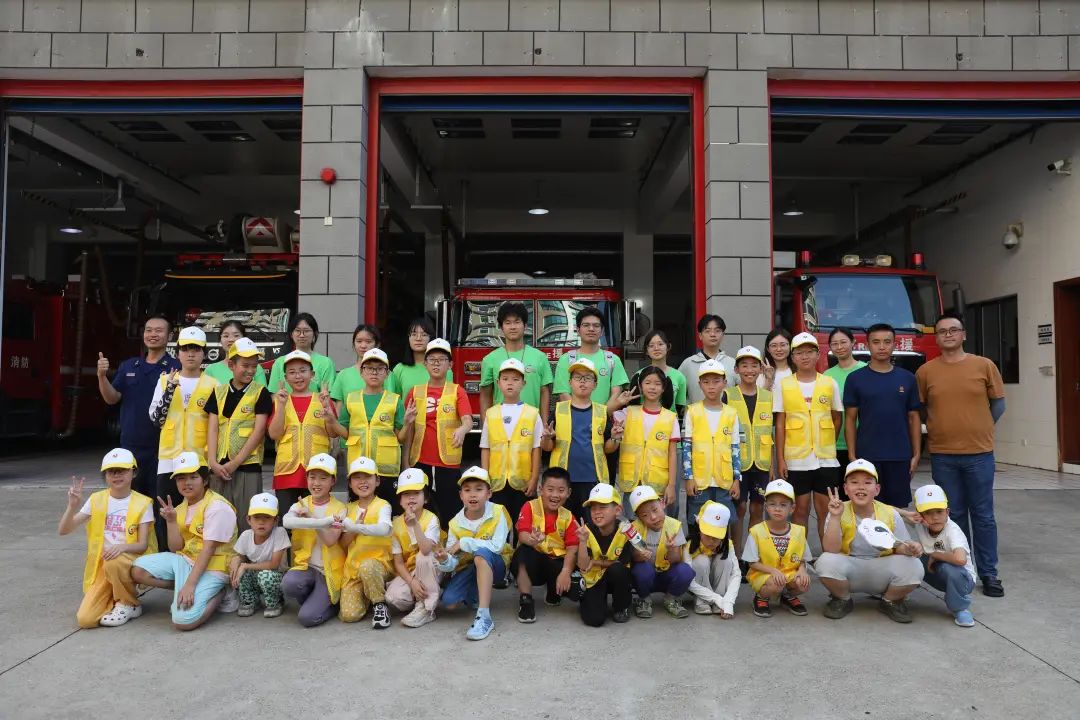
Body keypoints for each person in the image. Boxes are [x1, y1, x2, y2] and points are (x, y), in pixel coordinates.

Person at [916, 312, 1006, 598]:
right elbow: (921, 410)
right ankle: (963, 568)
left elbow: (998, 404)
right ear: (936, 337)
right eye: (942, 331)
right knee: (951, 515)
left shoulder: (984, 365)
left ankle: (989, 573)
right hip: (943, 455)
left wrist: (981, 426)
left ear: (963, 334)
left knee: (983, 515)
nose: (948, 335)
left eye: (953, 330)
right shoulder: (926, 372)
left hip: (979, 453)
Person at [131, 451, 238, 631]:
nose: (186, 483)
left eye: (193, 477)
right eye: (181, 478)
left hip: (214, 567)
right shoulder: (181, 507)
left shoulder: (217, 507)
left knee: (182, 621)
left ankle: (220, 593)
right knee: (138, 570)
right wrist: (171, 522)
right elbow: (176, 548)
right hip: (187, 561)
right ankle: (192, 589)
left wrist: (190, 584)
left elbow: (208, 549)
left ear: (205, 480)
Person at [815, 460, 925, 623]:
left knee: (914, 565)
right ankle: (842, 599)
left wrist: (910, 548)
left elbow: (899, 546)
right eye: (854, 482)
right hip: (850, 567)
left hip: (881, 568)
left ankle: (890, 600)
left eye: (867, 482)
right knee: (825, 561)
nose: (861, 487)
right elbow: (831, 549)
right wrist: (835, 517)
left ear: (877, 489)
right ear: (845, 489)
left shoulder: (890, 513)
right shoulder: (838, 510)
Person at [58, 449, 156, 628]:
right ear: (105, 476)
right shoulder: (96, 499)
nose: (116, 475)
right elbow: (64, 530)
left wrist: (121, 547)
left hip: (130, 561)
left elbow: (142, 545)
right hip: (103, 565)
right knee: (86, 620)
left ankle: (129, 604)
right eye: (111, 472)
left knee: (114, 561)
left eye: (122, 470)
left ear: (134, 472)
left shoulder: (143, 503)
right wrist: (72, 506)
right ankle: (115, 596)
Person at [96, 315, 180, 500]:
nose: (153, 334)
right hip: (131, 445)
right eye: (149, 330)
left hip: (163, 448)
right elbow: (112, 398)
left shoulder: (176, 368)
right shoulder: (129, 366)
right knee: (132, 502)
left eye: (159, 331)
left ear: (170, 336)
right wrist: (101, 376)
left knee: (160, 502)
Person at [148, 326, 218, 548]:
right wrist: (170, 389)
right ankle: (166, 556)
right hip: (169, 459)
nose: (190, 354)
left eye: (196, 349)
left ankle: (194, 556)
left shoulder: (214, 385)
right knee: (166, 512)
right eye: (186, 349)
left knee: (198, 513)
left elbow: (218, 426)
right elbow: (156, 419)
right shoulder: (164, 381)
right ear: (177, 353)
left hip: (199, 459)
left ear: (204, 353)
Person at [774, 332, 843, 542]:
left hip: (826, 460)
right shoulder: (783, 385)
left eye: (810, 352)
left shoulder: (829, 383)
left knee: (826, 510)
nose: (805, 357)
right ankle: (800, 554)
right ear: (793, 357)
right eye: (799, 353)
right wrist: (781, 459)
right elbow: (780, 423)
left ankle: (827, 554)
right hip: (796, 460)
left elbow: (836, 418)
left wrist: (827, 442)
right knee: (799, 510)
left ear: (818, 354)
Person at [844, 323, 922, 508]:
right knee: (867, 509)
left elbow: (914, 418)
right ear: (867, 345)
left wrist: (917, 454)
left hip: (899, 455)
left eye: (887, 342)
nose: (881, 347)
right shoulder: (855, 379)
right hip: (867, 455)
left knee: (897, 511)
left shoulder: (908, 378)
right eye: (876, 342)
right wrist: (852, 455)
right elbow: (850, 419)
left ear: (894, 344)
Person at [434, 466, 512, 641]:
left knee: (482, 553)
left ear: (489, 493)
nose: (473, 495)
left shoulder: (498, 512)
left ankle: (484, 616)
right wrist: (444, 559)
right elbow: (452, 562)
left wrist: (464, 542)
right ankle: (476, 594)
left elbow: (497, 546)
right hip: (470, 568)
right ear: (461, 495)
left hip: (496, 565)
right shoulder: (455, 523)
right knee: (450, 602)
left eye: (479, 489)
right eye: (467, 490)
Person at [203, 337, 272, 532]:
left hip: (247, 466)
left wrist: (235, 463)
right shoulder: (218, 392)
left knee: (246, 519)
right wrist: (212, 462)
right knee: (218, 519)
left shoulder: (260, 392)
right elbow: (213, 428)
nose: (250, 371)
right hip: (219, 467)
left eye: (254, 366)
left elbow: (259, 431)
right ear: (231, 365)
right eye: (245, 366)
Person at [326, 348, 409, 505]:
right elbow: (346, 433)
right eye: (369, 368)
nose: (374, 372)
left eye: (380, 369)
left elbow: (401, 437)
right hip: (359, 469)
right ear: (361, 372)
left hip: (386, 471)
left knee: (387, 509)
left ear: (387, 373)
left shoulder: (394, 400)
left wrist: (408, 423)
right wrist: (332, 421)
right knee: (357, 510)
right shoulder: (351, 399)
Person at [541, 356, 620, 518]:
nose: (582, 382)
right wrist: (547, 438)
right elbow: (547, 448)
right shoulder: (559, 411)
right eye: (578, 377)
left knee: (591, 523)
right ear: (570, 382)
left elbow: (607, 449)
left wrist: (614, 438)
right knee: (563, 523)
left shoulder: (601, 412)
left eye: (588, 378)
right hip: (562, 481)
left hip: (593, 479)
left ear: (595, 384)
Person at [404, 338, 472, 525]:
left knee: (450, 510)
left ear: (450, 365)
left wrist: (462, 430)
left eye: (441, 359)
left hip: (448, 463)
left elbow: (467, 420)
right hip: (420, 460)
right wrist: (406, 463)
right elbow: (409, 430)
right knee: (420, 511)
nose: (436, 363)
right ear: (425, 364)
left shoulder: (458, 391)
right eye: (432, 359)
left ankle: (450, 542)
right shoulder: (414, 392)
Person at [280, 453, 347, 628]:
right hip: (306, 568)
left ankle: (332, 606)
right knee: (289, 584)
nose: (316, 483)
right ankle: (314, 600)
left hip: (327, 572)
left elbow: (330, 540)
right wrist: (320, 521)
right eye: (312, 477)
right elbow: (287, 521)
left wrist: (311, 517)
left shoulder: (340, 508)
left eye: (323, 478)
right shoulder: (300, 504)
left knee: (307, 618)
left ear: (333, 481)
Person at [267, 349, 334, 512]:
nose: (298, 376)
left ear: (312, 374)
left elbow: (333, 433)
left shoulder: (322, 400)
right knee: (287, 521)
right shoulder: (280, 401)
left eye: (303, 371)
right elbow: (274, 434)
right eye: (292, 372)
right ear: (285, 378)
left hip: (317, 473)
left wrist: (327, 409)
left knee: (315, 520)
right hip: (286, 473)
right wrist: (281, 406)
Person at [480, 358, 543, 528]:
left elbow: (536, 449)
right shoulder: (491, 414)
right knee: (498, 525)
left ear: (523, 383)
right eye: (505, 379)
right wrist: (485, 478)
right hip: (496, 481)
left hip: (522, 482)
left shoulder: (532, 413)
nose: (510, 383)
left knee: (523, 524)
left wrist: (534, 478)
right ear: (498, 383)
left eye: (515, 379)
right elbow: (485, 448)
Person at [683, 359, 741, 542]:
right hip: (700, 480)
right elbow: (687, 447)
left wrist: (736, 479)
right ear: (699, 384)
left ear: (725, 382)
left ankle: (723, 556)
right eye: (706, 382)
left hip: (724, 480)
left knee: (722, 523)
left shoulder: (731, 413)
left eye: (716, 381)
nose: (711, 386)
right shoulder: (692, 411)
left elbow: (735, 448)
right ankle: (695, 554)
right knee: (697, 521)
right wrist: (689, 477)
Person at [512, 467, 579, 623]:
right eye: (550, 489)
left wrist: (566, 572)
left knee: (574, 589)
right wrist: (532, 540)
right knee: (521, 555)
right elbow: (522, 534)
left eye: (561, 490)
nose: (555, 495)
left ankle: (553, 592)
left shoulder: (569, 517)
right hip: (534, 560)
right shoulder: (529, 506)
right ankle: (526, 600)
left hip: (555, 563)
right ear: (541, 489)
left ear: (568, 492)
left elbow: (572, 549)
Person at [727, 346, 773, 564]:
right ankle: (735, 557)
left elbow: (771, 433)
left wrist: (772, 466)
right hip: (737, 464)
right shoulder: (728, 396)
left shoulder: (768, 397)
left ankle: (751, 557)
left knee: (757, 508)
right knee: (739, 509)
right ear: (736, 369)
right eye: (744, 365)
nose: (749, 370)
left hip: (761, 464)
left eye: (754, 365)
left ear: (760, 369)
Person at [338, 456, 394, 629]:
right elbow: (343, 544)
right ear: (350, 483)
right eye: (357, 478)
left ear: (377, 481)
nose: (362, 482)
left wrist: (357, 527)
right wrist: (353, 529)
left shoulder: (383, 505)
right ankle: (369, 593)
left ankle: (379, 604)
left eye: (368, 477)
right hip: (353, 570)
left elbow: (384, 529)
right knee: (349, 615)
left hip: (379, 566)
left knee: (368, 566)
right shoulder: (348, 508)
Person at [615, 366, 680, 515]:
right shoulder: (628, 412)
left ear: (663, 388)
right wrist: (619, 402)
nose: (652, 387)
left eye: (657, 384)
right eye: (648, 383)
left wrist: (671, 485)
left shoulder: (670, 417)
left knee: (655, 522)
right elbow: (603, 415)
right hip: (632, 482)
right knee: (632, 524)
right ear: (640, 386)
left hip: (657, 483)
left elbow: (672, 454)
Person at [743, 479, 811, 619]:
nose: (777, 509)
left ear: (792, 508)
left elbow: (803, 559)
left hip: (788, 574)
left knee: (803, 583)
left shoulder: (798, 531)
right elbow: (752, 562)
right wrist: (773, 571)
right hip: (764, 575)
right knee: (775, 584)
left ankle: (788, 596)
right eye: (772, 504)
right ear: (766, 507)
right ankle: (761, 597)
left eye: (783, 505)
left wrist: (802, 570)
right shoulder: (757, 531)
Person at [911, 484, 977, 627]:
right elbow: (890, 511)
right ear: (919, 515)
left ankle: (960, 608)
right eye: (928, 512)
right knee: (906, 553)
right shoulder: (919, 523)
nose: (935, 517)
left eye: (939, 511)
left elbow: (960, 559)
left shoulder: (953, 530)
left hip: (962, 579)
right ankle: (899, 590)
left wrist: (936, 555)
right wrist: (906, 514)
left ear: (947, 512)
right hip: (936, 570)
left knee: (950, 569)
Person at [385, 468, 443, 628]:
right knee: (392, 597)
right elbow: (398, 563)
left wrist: (415, 524)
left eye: (416, 493)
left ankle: (427, 608)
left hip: (432, 566)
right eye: (406, 494)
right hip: (411, 571)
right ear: (400, 500)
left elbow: (426, 550)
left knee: (423, 557)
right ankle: (423, 596)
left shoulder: (431, 519)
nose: (411, 497)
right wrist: (412, 583)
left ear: (426, 498)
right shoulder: (396, 525)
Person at [479, 301, 553, 423]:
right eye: (508, 323)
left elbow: (544, 392)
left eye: (517, 322)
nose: (512, 327)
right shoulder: (490, 359)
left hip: (532, 424)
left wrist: (544, 424)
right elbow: (485, 395)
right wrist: (486, 426)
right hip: (500, 424)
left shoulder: (540, 357)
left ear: (525, 326)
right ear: (502, 328)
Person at [628, 486, 693, 619]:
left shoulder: (674, 525)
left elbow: (676, 560)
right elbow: (633, 557)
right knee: (640, 570)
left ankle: (670, 599)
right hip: (647, 578)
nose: (653, 517)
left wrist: (671, 549)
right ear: (638, 517)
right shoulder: (634, 528)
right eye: (644, 515)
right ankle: (644, 599)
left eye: (655, 510)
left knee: (686, 571)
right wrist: (640, 556)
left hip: (666, 576)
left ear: (662, 503)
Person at [575, 484, 633, 626]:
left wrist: (596, 562)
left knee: (618, 570)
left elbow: (622, 564)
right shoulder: (586, 530)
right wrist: (582, 541)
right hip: (594, 580)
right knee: (594, 620)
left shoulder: (626, 530)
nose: (597, 512)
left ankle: (621, 607)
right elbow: (583, 565)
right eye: (593, 508)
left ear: (617, 510)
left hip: (616, 578)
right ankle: (587, 598)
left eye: (602, 507)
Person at [553, 306, 629, 408]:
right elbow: (564, 395)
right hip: (574, 417)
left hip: (605, 417)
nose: (591, 329)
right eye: (586, 325)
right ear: (578, 330)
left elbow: (616, 394)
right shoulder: (566, 359)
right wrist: (583, 414)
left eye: (596, 325)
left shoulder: (613, 360)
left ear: (602, 331)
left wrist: (601, 415)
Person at [229, 492, 290, 618]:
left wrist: (245, 566)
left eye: (267, 517)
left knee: (265, 576)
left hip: (275, 576)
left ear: (275, 520)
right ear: (249, 519)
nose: (261, 522)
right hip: (255, 575)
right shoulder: (246, 535)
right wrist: (236, 562)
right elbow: (240, 556)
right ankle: (250, 601)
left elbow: (274, 564)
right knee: (241, 573)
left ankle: (275, 603)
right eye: (256, 517)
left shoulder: (279, 533)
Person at [822, 327, 866, 470]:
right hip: (835, 442)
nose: (839, 347)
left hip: (862, 441)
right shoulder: (827, 375)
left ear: (853, 342)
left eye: (843, 342)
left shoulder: (866, 370)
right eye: (834, 344)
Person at [687, 501, 741, 618]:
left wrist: (728, 602)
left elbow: (736, 574)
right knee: (701, 561)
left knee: (725, 560)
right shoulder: (690, 546)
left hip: (721, 597)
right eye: (707, 535)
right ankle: (701, 601)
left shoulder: (728, 545)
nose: (711, 541)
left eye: (716, 537)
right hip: (699, 586)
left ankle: (720, 597)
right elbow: (688, 580)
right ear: (699, 528)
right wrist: (717, 599)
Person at [387, 317, 454, 401]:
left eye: (424, 335)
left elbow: (449, 400)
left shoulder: (444, 368)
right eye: (414, 334)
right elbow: (393, 401)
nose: (418, 339)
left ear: (431, 338)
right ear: (408, 338)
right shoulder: (399, 369)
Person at [268, 312, 336, 393]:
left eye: (306, 331)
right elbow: (273, 394)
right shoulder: (279, 362)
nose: (302, 335)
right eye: (297, 331)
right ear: (291, 334)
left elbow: (329, 395)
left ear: (315, 334)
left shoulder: (326, 363)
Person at [679, 314, 737, 404]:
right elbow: (678, 394)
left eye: (717, 331)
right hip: (696, 413)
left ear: (723, 335)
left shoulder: (733, 363)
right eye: (707, 331)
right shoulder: (688, 364)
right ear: (700, 335)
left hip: (727, 413)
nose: (712, 334)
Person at [632, 330, 688, 414]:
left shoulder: (679, 377)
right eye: (651, 345)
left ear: (668, 347)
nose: (656, 348)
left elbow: (680, 408)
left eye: (660, 344)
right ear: (646, 350)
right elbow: (634, 405)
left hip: (669, 421)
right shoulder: (638, 375)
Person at [329, 323, 382, 408]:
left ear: (377, 345)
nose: (363, 346)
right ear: (353, 344)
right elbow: (339, 411)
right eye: (359, 341)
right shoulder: (343, 375)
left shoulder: (389, 376)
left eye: (368, 342)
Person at [204, 320, 267, 386]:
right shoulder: (211, 370)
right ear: (220, 340)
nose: (231, 339)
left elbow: (262, 391)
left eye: (236, 335)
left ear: (244, 338)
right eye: (226, 336)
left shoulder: (257, 369)